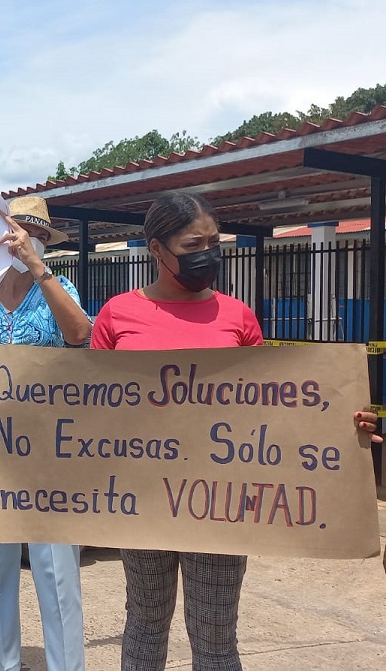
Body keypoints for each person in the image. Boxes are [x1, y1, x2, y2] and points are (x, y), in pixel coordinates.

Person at [85, 192, 385, 670]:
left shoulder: (238, 316)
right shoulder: (117, 315)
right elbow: (83, 402)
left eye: (213, 241)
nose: (207, 253)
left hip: (223, 506)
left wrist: (340, 424)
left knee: (216, 641)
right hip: (141, 500)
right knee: (144, 625)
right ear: (157, 250)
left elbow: (271, 406)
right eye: (192, 244)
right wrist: (12, 413)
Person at [0, 196, 92, 671]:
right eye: (14, 231)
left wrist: (36, 265)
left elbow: (80, 334)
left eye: (32, 233)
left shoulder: (59, 287)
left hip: (47, 446)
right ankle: (6, 664)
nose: (19, 240)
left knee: (55, 566)